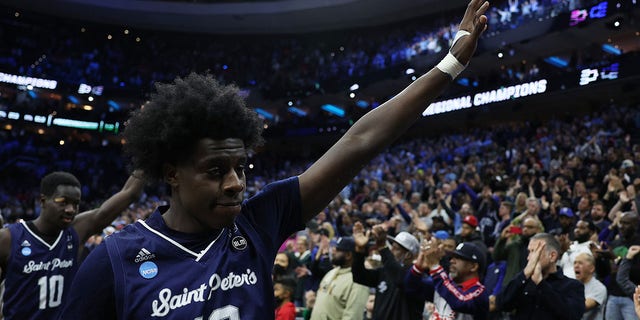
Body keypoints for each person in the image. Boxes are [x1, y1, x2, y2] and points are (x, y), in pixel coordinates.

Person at [61, 1, 490, 318]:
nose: (234, 183)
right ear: (172, 173)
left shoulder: (258, 222)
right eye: (215, 171)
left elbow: (360, 141)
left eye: (239, 168)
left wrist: (450, 65)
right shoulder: (115, 259)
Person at [0, 171, 144, 320]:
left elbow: (130, 193)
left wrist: (148, 158)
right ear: (42, 201)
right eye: (63, 202)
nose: (70, 209)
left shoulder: (76, 232)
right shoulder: (8, 238)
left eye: (75, 204)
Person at [496, 233, 585, 319]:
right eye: (529, 252)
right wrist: (524, 274)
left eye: (534, 252)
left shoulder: (573, 286)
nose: (528, 258)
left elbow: (572, 315)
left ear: (552, 256)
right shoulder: (523, 281)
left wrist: (541, 284)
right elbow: (501, 304)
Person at [352, 222, 423, 319]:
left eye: (396, 249)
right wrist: (359, 250)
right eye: (392, 247)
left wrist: (382, 247)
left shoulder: (416, 276)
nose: (391, 251)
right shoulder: (385, 271)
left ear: (408, 255)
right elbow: (359, 276)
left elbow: (400, 279)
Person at [406, 240, 489, 319]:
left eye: (458, 258)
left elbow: (460, 302)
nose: (452, 261)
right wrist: (418, 268)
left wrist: (435, 267)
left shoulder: (480, 292)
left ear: (473, 267)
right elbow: (411, 288)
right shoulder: (444, 285)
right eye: (452, 257)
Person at [310, 237, 369, 320]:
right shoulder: (331, 273)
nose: (333, 252)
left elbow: (352, 316)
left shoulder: (358, 280)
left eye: (338, 250)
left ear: (348, 255)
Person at [573, 253, 606, 320]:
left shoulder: (599, 288)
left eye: (580, 263)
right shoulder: (572, 284)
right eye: (575, 263)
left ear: (591, 268)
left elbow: (583, 306)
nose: (576, 266)